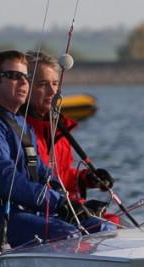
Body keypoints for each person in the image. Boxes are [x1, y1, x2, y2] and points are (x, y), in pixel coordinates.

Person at [0, 50, 110, 258]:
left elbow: (40, 172)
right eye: (13, 76)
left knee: (102, 229)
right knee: (69, 236)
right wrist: (58, 203)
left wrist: (72, 203)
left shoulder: (21, 124)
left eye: (26, 77)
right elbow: (6, 181)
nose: (22, 82)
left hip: (29, 215)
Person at [24, 50, 114, 201]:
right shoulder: (16, 130)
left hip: (65, 207)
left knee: (112, 221)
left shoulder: (58, 128)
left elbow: (62, 175)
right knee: (103, 225)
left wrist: (87, 179)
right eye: (43, 84)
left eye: (55, 84)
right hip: (41, 210)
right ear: (23, 87)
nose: (52, 91)